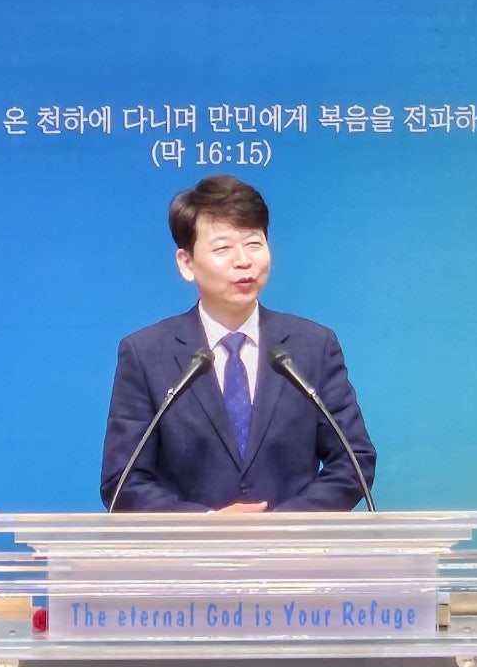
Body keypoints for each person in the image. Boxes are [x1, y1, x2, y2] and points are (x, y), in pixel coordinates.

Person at [100, 175, 376, 512]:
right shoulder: (145, 354)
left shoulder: (313, 347)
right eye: (223, 248)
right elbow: (122, 481)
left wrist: (281, 525)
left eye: (254, 243)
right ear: (186, 263)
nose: (243, 260)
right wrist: (208, 523)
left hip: (292, 544)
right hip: (190, 546)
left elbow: (354, 461)